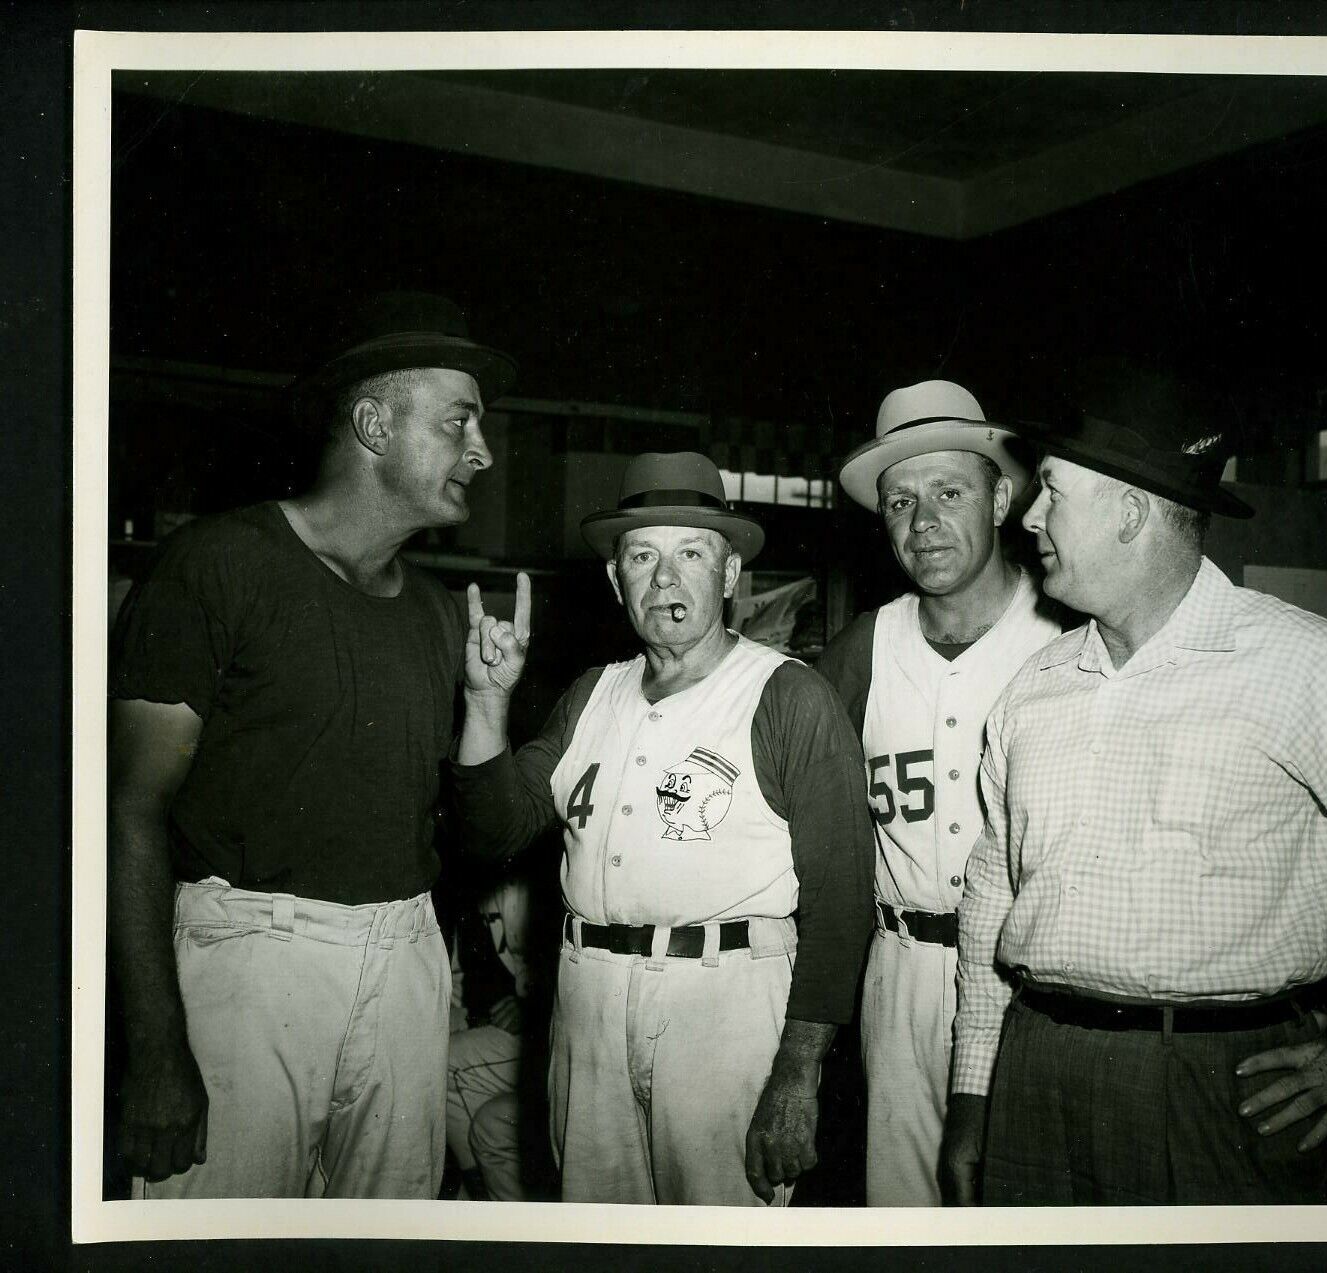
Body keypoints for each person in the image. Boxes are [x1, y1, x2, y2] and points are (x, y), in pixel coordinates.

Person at [941, 368, 1327, 1206]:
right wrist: (973, 1092)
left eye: (1053, 492)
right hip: (1036, 1071)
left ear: (1131, 512)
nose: (1030, 516)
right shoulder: (1036, 687)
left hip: (1217, 1087)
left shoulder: (1302, 665)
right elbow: (992, 895)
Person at [108, 292, 516, 1199]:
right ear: (374, 423)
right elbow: (127, 815)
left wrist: (488, 708)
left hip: (404, 962)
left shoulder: (442, 614)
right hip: (252, 960)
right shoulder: (219, 564)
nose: (482, 452)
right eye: (460, 424)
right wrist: (156, 1047)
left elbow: (479, 833)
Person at [450, 451, 875, 1206]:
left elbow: (842, 906)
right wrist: (486, 705)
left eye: (691, 554)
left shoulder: (787, 694)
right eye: (642, 556)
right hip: (588, 1006)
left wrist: (799, 1071)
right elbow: (494, 828)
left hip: (724, 1006)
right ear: (616, 581)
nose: (665, 579)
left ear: (730, 575)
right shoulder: (592, 693)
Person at [817, 380, 1066, 1205]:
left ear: (1000, 498)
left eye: (948, 493)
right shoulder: (866, 646)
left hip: (1025, 977)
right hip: (900, 970)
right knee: (905, 1219)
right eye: (899, 502)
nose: (922, 524)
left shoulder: (1063, 638)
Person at [445, 873, 531, 1201]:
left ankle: (480, 1187)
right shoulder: (480, 876)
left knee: (446, 1061)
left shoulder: (549, 865)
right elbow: (479, 974)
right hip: (507, 1018)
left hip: (551, 1031)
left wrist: (532, 1007)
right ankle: (482, 1185)